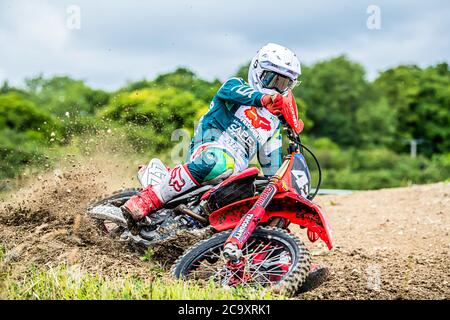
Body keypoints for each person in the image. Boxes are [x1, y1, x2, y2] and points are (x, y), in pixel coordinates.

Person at [121, 43, 301, 226]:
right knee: (219, 162)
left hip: (235, 175)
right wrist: (263, 100)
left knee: (265, 195)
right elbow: (233, 91)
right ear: (257, 71)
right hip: (209, 149)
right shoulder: (236, 87)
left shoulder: (274, 123)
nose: (276, 88)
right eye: (273, 79)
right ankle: (148, 198)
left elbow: (273, 167)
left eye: (284, 84)